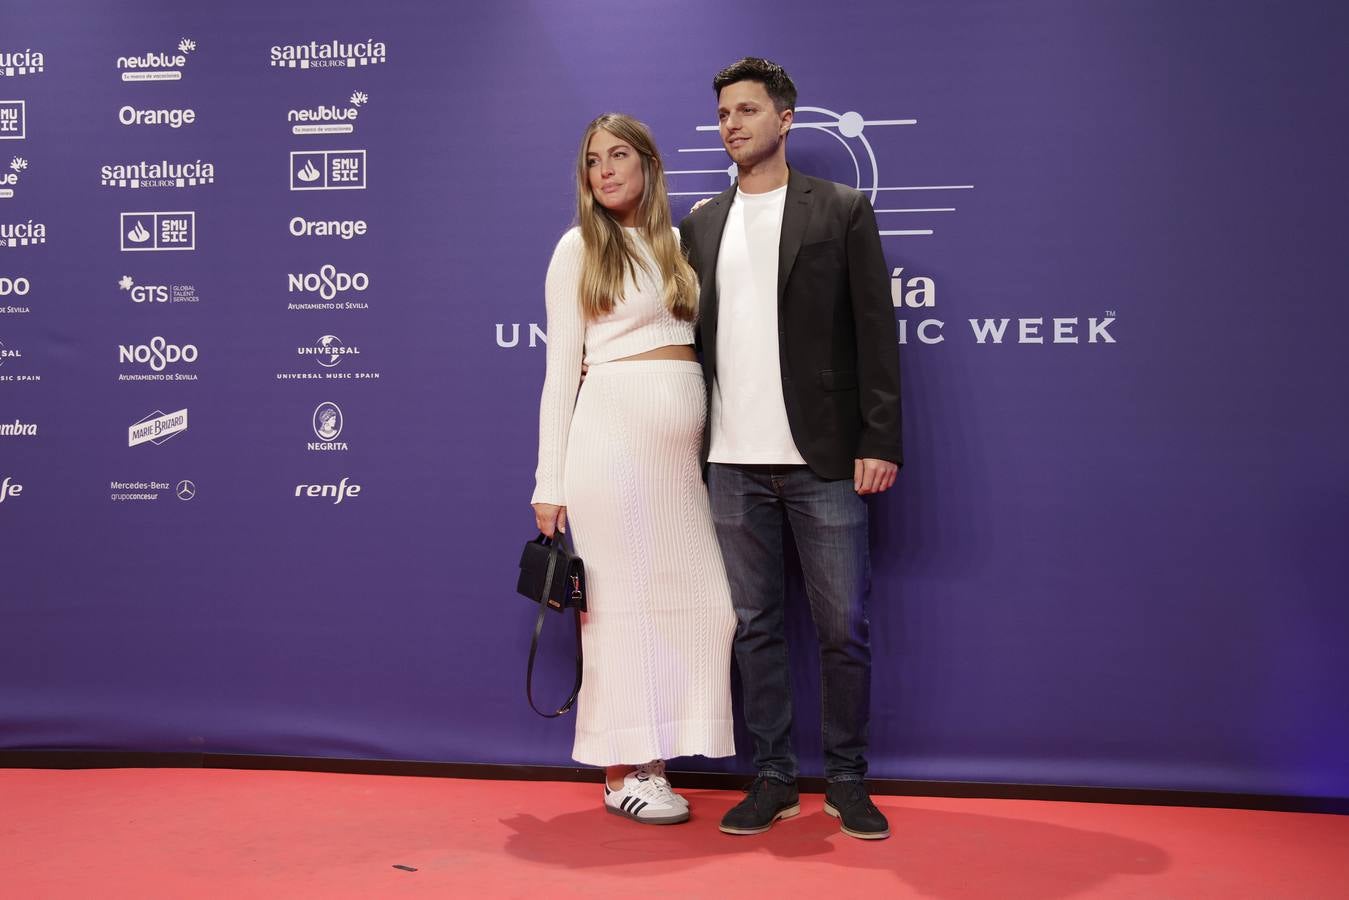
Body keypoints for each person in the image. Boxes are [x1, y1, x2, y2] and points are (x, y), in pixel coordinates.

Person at [679, 58, 902, 841]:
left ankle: (846, 780)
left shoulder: (840, 209)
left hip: (824, 460)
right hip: (731, 463)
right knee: (755, 627)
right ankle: (772, 777)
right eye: (721, 115)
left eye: (745, 110)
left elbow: (876, 333)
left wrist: (878, 439)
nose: (730, 124)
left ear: (784, 121)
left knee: (843, 627)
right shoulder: (701, 223)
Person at [532, 113, 737, 826]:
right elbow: (561, 372)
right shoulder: (576, 248)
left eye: (619, 155)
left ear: (648, 163)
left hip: (678, 461)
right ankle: (627, 773)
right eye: (593, 161)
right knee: (619, 611)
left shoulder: (677, 246)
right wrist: (547, 481)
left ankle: (662, 756)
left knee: (705, 607)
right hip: (609, 447)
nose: (606, 170)